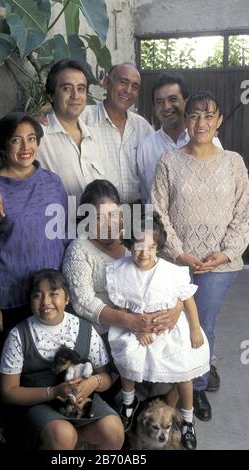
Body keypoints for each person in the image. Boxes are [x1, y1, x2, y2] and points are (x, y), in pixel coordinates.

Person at [151, 91, 249, 422]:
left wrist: (224, 253)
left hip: (220, 265)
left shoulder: (234, 162)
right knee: (172, 322)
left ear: (219, 121)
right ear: (185, 121)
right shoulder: (169, 162)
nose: (201, 122)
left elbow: (243, 213)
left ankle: (199, 387)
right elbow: (159, 212)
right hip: (176, 263)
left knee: (201, 324)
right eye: (194, 115)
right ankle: (171, 381)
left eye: (209, 116)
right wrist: (180, 254)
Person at [62, 180, 183, 400]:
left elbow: (163, 275)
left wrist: (176, 309)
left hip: (144, 318)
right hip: (104, 330)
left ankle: (166, 408)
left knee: (176, 356)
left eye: (114, 215)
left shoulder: (135, 239)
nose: (109, 224)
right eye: (99, 218)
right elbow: (84, 303)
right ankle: (134, 404)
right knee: (135, 361)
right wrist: (131, 321)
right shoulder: (79, 250)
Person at [0, 112, 68, 374]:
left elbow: (62, 239)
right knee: (12, 376)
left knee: (49, 374)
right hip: (9, 302)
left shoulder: (52, 183)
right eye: (16, 141)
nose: (26, 148)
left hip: (50, 299)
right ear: (2, 146)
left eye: (31, 138)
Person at [106, 211, 210, 450]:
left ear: (158, 247)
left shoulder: (171, 272)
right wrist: (135, 328)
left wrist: (195, 329)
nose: (144, 254)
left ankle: (186, 419)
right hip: (138, 330)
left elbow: (188, 300)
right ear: (130, 245)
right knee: (128, 359)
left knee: (184, 372)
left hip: (170, 332)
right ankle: (129, 403)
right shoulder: (121, 270)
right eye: (138, 247)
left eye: (151, 247)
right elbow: (121, 304)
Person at [0, 59, 118, 227]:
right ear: (50, 95)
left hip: (98, 238)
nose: (75, 95)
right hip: (56, 236)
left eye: (81, 89)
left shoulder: (96, 137)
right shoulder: (36, 134)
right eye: (66, 88)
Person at [0, 269, 124, 450]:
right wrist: (53, 391)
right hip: (40, 404)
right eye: (37, 295)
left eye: (53, 294)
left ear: (67, 299)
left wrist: (93, 383)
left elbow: (106, 376)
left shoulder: (85, 329)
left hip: (81, 402)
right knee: (63, 434)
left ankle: (76, 440)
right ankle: (64, 442)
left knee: (114, 430)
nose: (45, 302)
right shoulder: (19, 335)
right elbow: (8, 392)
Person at [137, 72, 222, 203]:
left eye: (172, 99)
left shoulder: (209, 141)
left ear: (186, 101)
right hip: (157, 222)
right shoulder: (146, 148)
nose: (166, 107)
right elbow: (146, 197)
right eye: (159, 102)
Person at [82, 63, 154, 202]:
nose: (128, 90)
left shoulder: (142, 127)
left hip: (136, 212)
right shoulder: (84, 119)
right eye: (123, 82)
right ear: (107, 82)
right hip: (98, 214)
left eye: (135, 87)